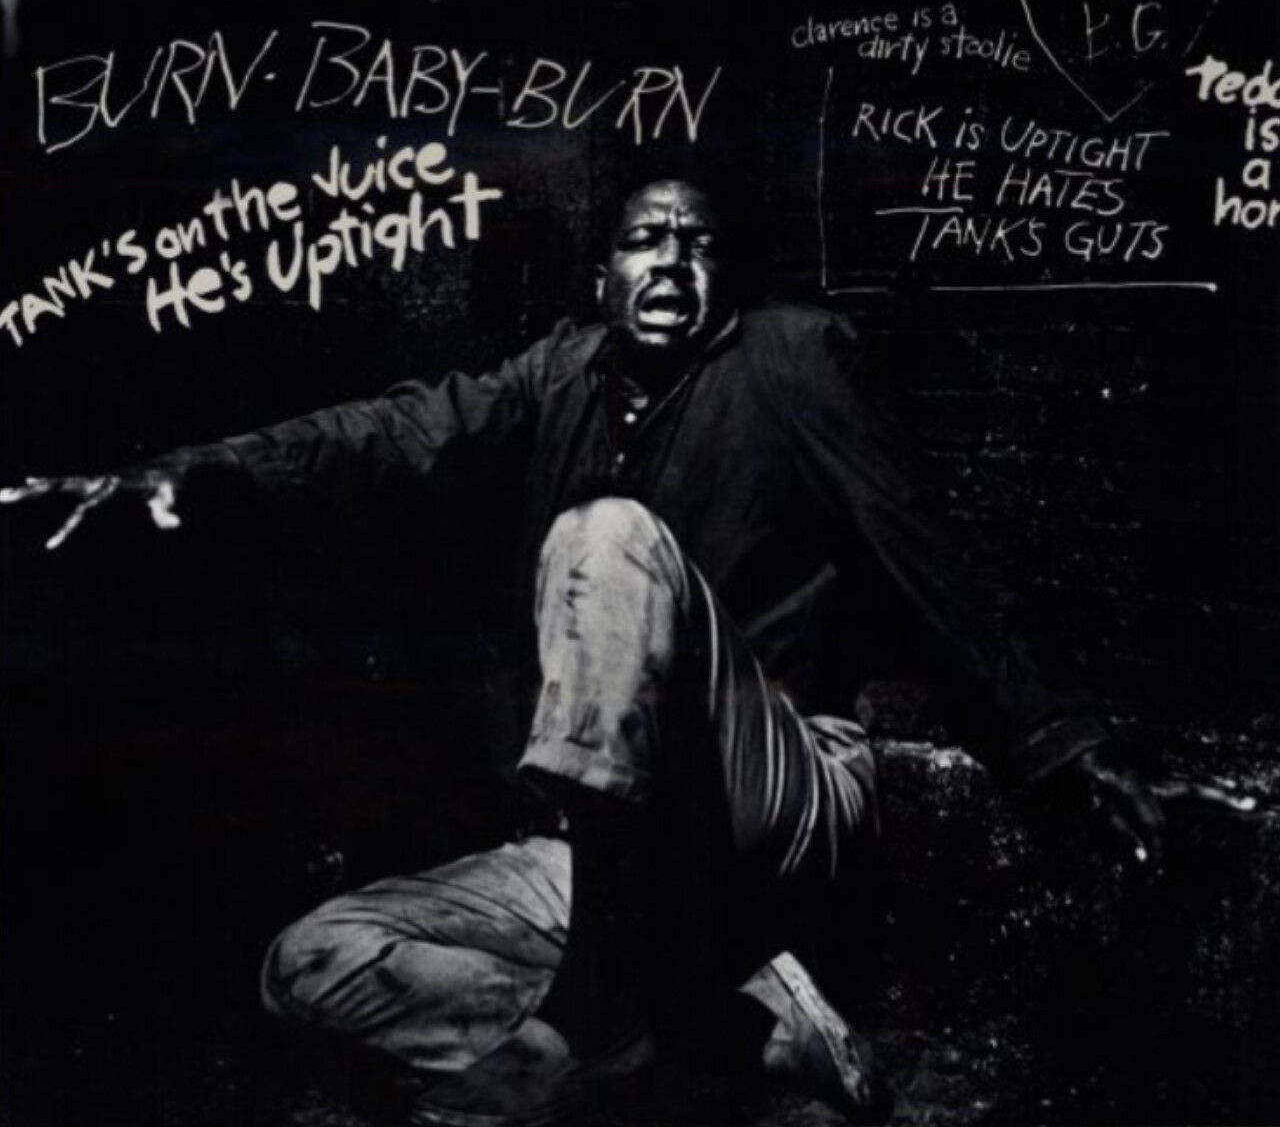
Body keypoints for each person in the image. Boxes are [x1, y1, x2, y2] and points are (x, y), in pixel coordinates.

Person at [2, 179, 1165, 1126]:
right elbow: (386, 431)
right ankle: (730, 1028)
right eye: (644, 240)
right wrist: (201, 467)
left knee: (605, 536)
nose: (670, 262)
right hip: (605, 858)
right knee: (310, 961)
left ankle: (595, 1010)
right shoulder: (558, 373)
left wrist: (1064, 740)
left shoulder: (790, 358)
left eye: (696, 243)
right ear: (601, 276)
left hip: (772, 791)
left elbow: (922, 545)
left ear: (725, 274)